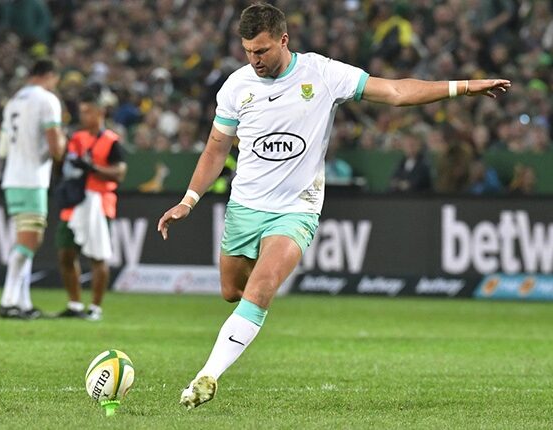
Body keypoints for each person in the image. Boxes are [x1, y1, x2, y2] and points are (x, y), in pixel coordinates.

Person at [157, 2, 510, 409]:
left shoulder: (322, 74)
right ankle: (238, 324)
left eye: (263, 51)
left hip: (296, 209)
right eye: (248, 51)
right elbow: (216, 149)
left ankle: (207, 376)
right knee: (231, 291)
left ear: (284, 40)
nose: (254, 60)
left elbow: (395, 92)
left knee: (262, 288)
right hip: (246, 206)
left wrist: (463, 86)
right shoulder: (237, 87)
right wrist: (189, 200)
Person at [0, 58, 66, 319]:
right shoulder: (47, 101)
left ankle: (23, 302)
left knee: (25, 240)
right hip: (31, 179)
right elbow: (56, 149)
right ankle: (8, 301)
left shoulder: (13, 101)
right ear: (50, 76)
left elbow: (2, 148)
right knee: (30, 241)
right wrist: (62, 141)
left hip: (12, 178)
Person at [56, 89, 127, 321]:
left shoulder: (111, 140)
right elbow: (67, 164)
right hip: (75, 200)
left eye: (88, 112)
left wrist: (93, 169)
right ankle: (75, 303)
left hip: (99, 201)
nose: (84, 117)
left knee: (98, 256)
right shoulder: (77, 137)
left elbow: (119, 173)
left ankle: (95, 307)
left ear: (100, 112)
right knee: (66, 252)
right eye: (81, 112)